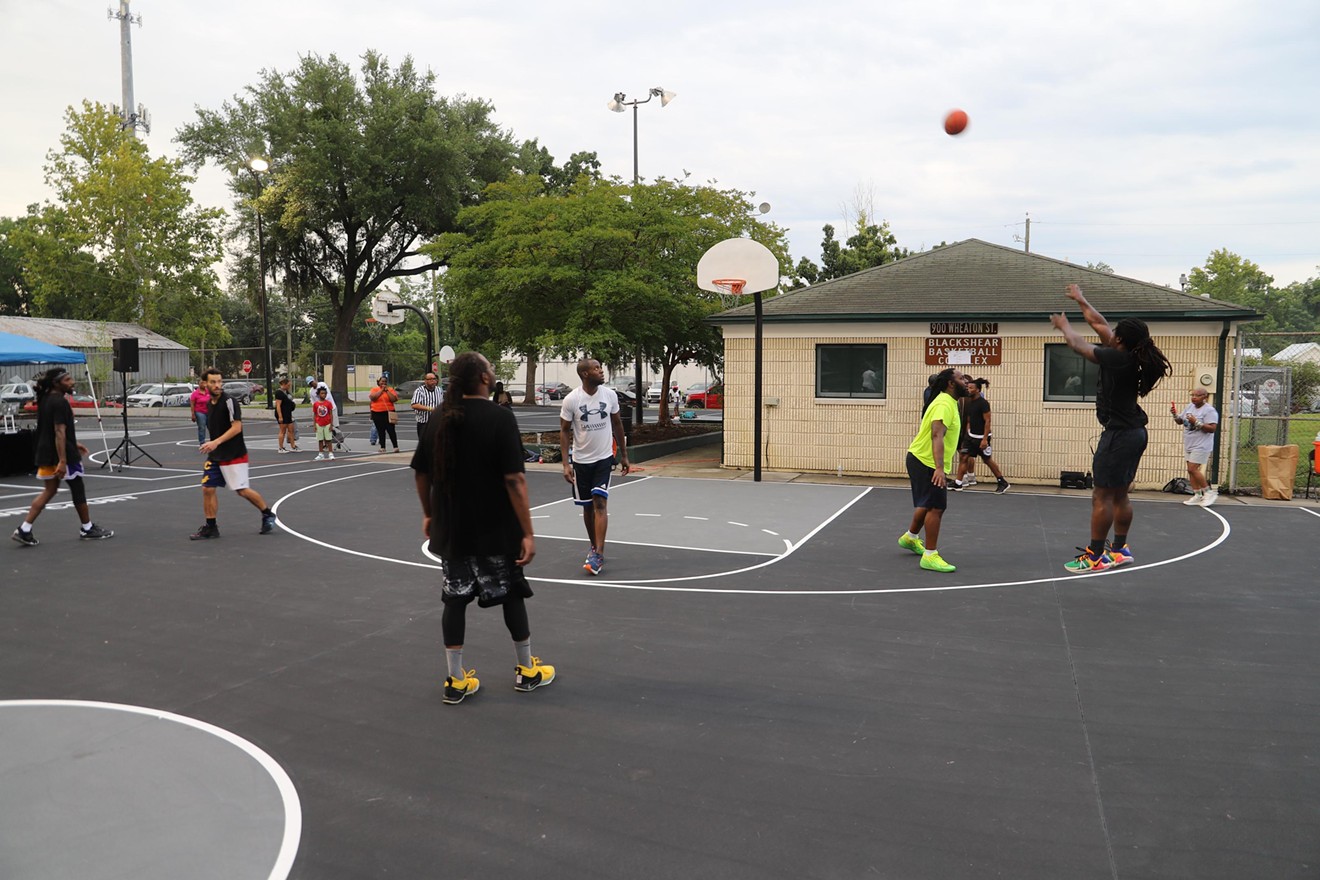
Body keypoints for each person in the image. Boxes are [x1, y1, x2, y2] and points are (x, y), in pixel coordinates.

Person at [410, 351, 554, 705]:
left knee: (455, 598)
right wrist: (528, 531)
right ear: (485, 378)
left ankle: (456, 679)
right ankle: (526, 670)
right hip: (495, 528)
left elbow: (421, 472)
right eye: (491, 367)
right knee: (511, 593)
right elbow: (515, 479)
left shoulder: (440, 416)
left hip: (452, 528)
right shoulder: (499, 417)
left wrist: (429, 514)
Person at [1050, 283, 1172, 573]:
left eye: (1115, 332)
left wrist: (1065, 326)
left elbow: (1079, 345)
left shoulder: (1117, 359)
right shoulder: (1127, 352)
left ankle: (1094, 555)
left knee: (1101, 495)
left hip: (1119, 435)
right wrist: (1081, 300)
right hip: (1134, 433)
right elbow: (1098, 323)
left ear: (1120, 341)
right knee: (1119, 494)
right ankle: (1119, 549)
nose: (1110, 332)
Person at [11, 368, 114, 546]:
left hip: (46, 453)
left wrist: (74, 443)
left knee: (49, 491)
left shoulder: (45, 399)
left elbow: (52, 431)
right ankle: (87, 528)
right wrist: (63, 460)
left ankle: (24, 529)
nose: (72, 382)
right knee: (77, 489)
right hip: (61, 455)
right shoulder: (59, 402)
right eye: (67, 380)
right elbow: (59, 432)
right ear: (56, 383)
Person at [559, 357, 630, 576]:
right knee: (588, 507)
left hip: (603, 458)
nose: (602, 371)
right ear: (585, 374)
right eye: (596, 368)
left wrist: (624, 455)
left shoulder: (609, 395)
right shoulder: (572, 400)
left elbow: (617, 423)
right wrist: (565, 463)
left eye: (601, 368)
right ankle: (593, 546)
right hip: (581, 461)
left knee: (600, 501)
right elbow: (564, 431)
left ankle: (598, 553)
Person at [898, 367, 970, 573]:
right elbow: (936, 435)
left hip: (922, 460)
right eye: (961, 378)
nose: (966, 381)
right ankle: (930, 555)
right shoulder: (944, 403)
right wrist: (939, 468)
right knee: (936, 507)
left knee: (927, 502)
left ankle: (910, 538)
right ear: (951, 383)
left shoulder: (947, 401)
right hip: (926, 462)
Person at [191, 368, 276, 540]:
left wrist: (215, 442)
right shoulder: (208, 404)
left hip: (234, 454)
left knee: (242, 491)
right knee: (207, 488)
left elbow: (237, 427)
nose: (217, 385)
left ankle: (267, 513)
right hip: (216, 455)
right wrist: (213, 444)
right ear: (204, 384)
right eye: (213, 382)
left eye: (219, 382)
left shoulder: (229, 401)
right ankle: (211, 527)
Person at [952, 378, 1010, 494]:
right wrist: (968, 430)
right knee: (964, 456)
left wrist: (984, 439)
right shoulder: (970, 402)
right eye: (968, 387)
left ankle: (1002, 481)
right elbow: (969, 418)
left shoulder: (983, 403)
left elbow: (988, 421)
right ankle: (958, 483)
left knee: (987, 460)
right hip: (971, 437)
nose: (968, 389)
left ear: (978, 390)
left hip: (981, 438)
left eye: (971, 388)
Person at [1171, 389, 1219, 506]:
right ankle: (1197, 495)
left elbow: (1212, 428)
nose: (1194, 398)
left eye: (1197, 396)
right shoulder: (1190, 407)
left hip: (1201, 444)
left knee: (1192, 469)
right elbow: (1180, 421)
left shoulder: (1209, 411)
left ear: (1205, 397)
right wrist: (1175, 414)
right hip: (1190, 443)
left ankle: (1209, 492)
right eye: (1192, 395)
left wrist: (1196, 422)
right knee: (1190, 470)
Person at [368, 375, 400, 454]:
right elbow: (373, 398)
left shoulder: (390, 389)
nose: (384, 383)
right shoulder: (374, 389)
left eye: (385, 381)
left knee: (391, 430)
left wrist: (387, 391)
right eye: (382, 381)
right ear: (378, 382)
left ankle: (395, 446)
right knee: (380, 430)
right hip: (377, 413)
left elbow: (394, 399)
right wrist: (381, 390)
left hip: (389, 412)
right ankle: (383, 447)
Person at [410, 372, 441, 441]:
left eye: (434, 379)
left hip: (436, 422)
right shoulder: (419, 391)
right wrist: (430, 408)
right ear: (425, 381)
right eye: (430, 379)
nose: (433, 381)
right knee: (425, 443)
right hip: (424, 423)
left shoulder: (439, 390)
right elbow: (414, 405)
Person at [274, 377, 299, 453]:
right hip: (282, 413)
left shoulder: (286, 392)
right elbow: (278, 405)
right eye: (288, 385)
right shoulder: (279, 393)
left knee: (291, 430)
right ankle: (281, 448)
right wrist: (280, 416)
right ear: (283, 384)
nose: (289, 386)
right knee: (283, 431)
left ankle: (293, 446)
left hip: (288, 413)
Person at [311, 386, 336, 461]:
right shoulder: (316, 404)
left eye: (325, 393)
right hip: (319, 423)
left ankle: (330, 453)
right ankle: (321, 453)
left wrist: (331, 424)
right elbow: (315, 414)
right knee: (320, 439)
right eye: (322, 393)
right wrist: (314, 424)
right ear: (318, 394)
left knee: (328, 439)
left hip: (327, 423)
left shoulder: (328, 403)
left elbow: (331, 414)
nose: (323, 395)